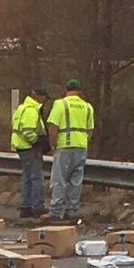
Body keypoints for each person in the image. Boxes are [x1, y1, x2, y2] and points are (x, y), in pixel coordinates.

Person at [45, 78, 95, 223]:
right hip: (81, 147)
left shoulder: (60, 104)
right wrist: (84, 142)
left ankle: (55, 211)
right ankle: (72, 211)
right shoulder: (87, 107)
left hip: (65, 146)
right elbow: (90, 129)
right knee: (76, 181)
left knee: (59, 179)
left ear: (66, 90)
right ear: (79, 91)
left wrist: (52, 145)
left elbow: (53, 126)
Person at [10, 86, 49, 219]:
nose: (45, 101)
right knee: (36, 178)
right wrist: (38, 141)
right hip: (29, 147)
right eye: (44, 98)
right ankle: (37, 206)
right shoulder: (32, 110)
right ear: (38, 96)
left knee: (27, 178)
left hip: (22, 147)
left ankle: (26, 207)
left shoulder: (22, 108)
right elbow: (28, 132)